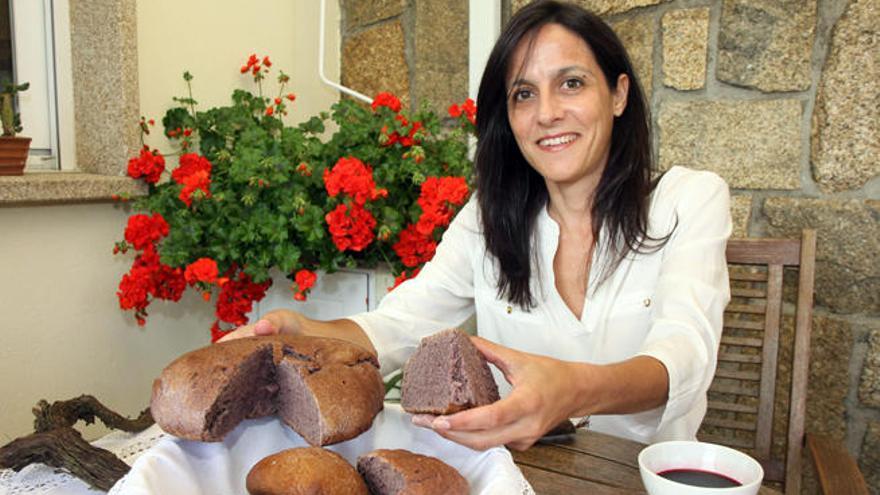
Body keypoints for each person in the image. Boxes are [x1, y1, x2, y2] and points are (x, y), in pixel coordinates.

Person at [223, 0, 731, 451]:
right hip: (522, 477)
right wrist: (305, 331)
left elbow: (685, 353)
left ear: (618, 95)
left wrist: (573, 388)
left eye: (571, 83)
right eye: (524, 94)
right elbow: (402, 325)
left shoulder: (688, 199)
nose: (547, 113)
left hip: (643, 479)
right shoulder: (488, 219)